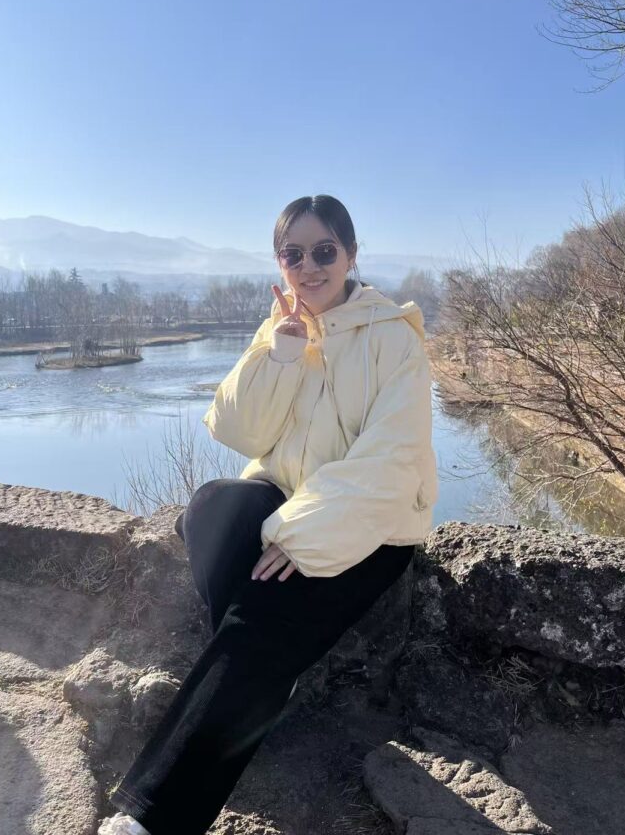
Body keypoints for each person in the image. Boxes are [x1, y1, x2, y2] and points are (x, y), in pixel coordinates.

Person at [100, 194, 438, 835]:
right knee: (211, 506)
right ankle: (261, 681)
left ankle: (152, 819)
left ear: (351, 255)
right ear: (280, 262)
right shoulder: (280, 326)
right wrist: (280, 353)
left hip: (371, 525)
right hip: (286, 503)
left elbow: (392, 461)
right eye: (292, 254)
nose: (308, 267)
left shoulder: (394, 337)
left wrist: (300, 532)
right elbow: (238, 430)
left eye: (323, 251)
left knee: (257, 618)